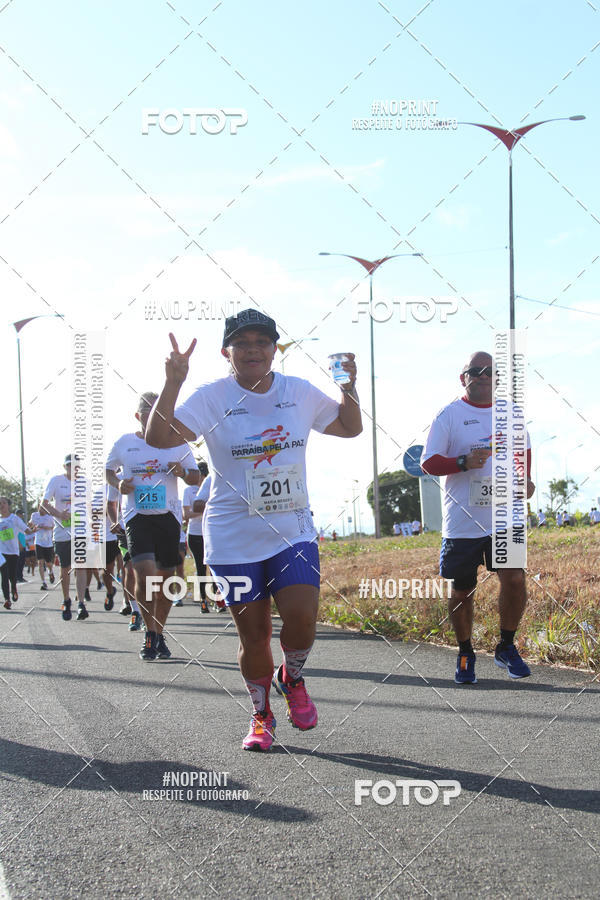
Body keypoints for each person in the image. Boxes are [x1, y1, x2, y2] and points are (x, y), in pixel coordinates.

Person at [146, 309, 362, 752]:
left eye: (262, 342)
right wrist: (173, 382)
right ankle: (261, 713)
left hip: (292, 529)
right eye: (242, 343)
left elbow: (349, 426)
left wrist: (348, 387)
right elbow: (159, 439)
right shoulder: (211, 397)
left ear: (274, 350)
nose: (252, 351)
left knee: (302, 617)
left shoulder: (298, 391)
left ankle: (293, 677)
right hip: (232, 534)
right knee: (255, 634)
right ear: (227, 352)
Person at [421, 351, 535, 684]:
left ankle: (507, 646)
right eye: (476, 371)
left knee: (514, 579)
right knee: (462, 591)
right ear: (464, 377)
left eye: (489, 371)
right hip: (463, 522)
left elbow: (523, 449)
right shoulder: (449, 416)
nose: (483, 376)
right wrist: (461, 463)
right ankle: (465, 652)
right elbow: (427, 463)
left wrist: (526, 478)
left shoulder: (510, 413)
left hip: (506, 517)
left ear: (496, 378)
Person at [105, 391, 199, 660]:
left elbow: (195, 477)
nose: (156, 414)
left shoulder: (178, 443)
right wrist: (118, 484)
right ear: (138, 416)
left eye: (161, 409)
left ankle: (159, 632)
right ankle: (149, 632)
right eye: (149, 410)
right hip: (137, 518)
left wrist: (182, 472)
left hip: (168, 518)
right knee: (144, 575)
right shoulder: (124, 443)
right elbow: (108, 470)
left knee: (166, 581)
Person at [41, 455, 90, 621]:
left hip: (81, 530)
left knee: (81, 566)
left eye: (76, 465)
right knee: (65, 568)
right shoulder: (55, 481)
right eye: (70, 465)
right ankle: (66, 599)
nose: (73, 468)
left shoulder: (85, 483)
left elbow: (91, 506)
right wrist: (59, 514)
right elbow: (44, 504)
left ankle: (81, 603)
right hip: (62, 532)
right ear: (65, 466)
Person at [184, 464, 211, 613]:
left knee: (214, 566)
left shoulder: (212, 486)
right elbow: (186, 514)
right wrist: (205, 509)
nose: (200, 478)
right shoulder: (189, 490)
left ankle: (219, 599)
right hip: (195, 533)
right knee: (201, 567)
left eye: (202, 475)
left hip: (211, 532)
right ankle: (203, 599)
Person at [0, 498, 29, 608]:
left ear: (8, 505)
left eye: (4, 503)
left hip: (13, 551)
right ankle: (7, 599)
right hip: (1, 552)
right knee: (4, 575)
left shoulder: (15, 519)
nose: (1, 505)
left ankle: (14, 588)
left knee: (12, 576)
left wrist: (32, 530)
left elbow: (25, 529)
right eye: (0, 503)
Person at [29, 508, 55, 590]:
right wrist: (31, 525)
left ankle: (50, 572)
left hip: (48, 543)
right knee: (40, 562)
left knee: (49, 563)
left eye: (43, 508)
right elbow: (30, 524)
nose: (41, 510)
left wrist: (47, 528)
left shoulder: (50, 517)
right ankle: (43, 582)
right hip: (38, 542)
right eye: (40, 508)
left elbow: (54, 527)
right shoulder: (34, 515)